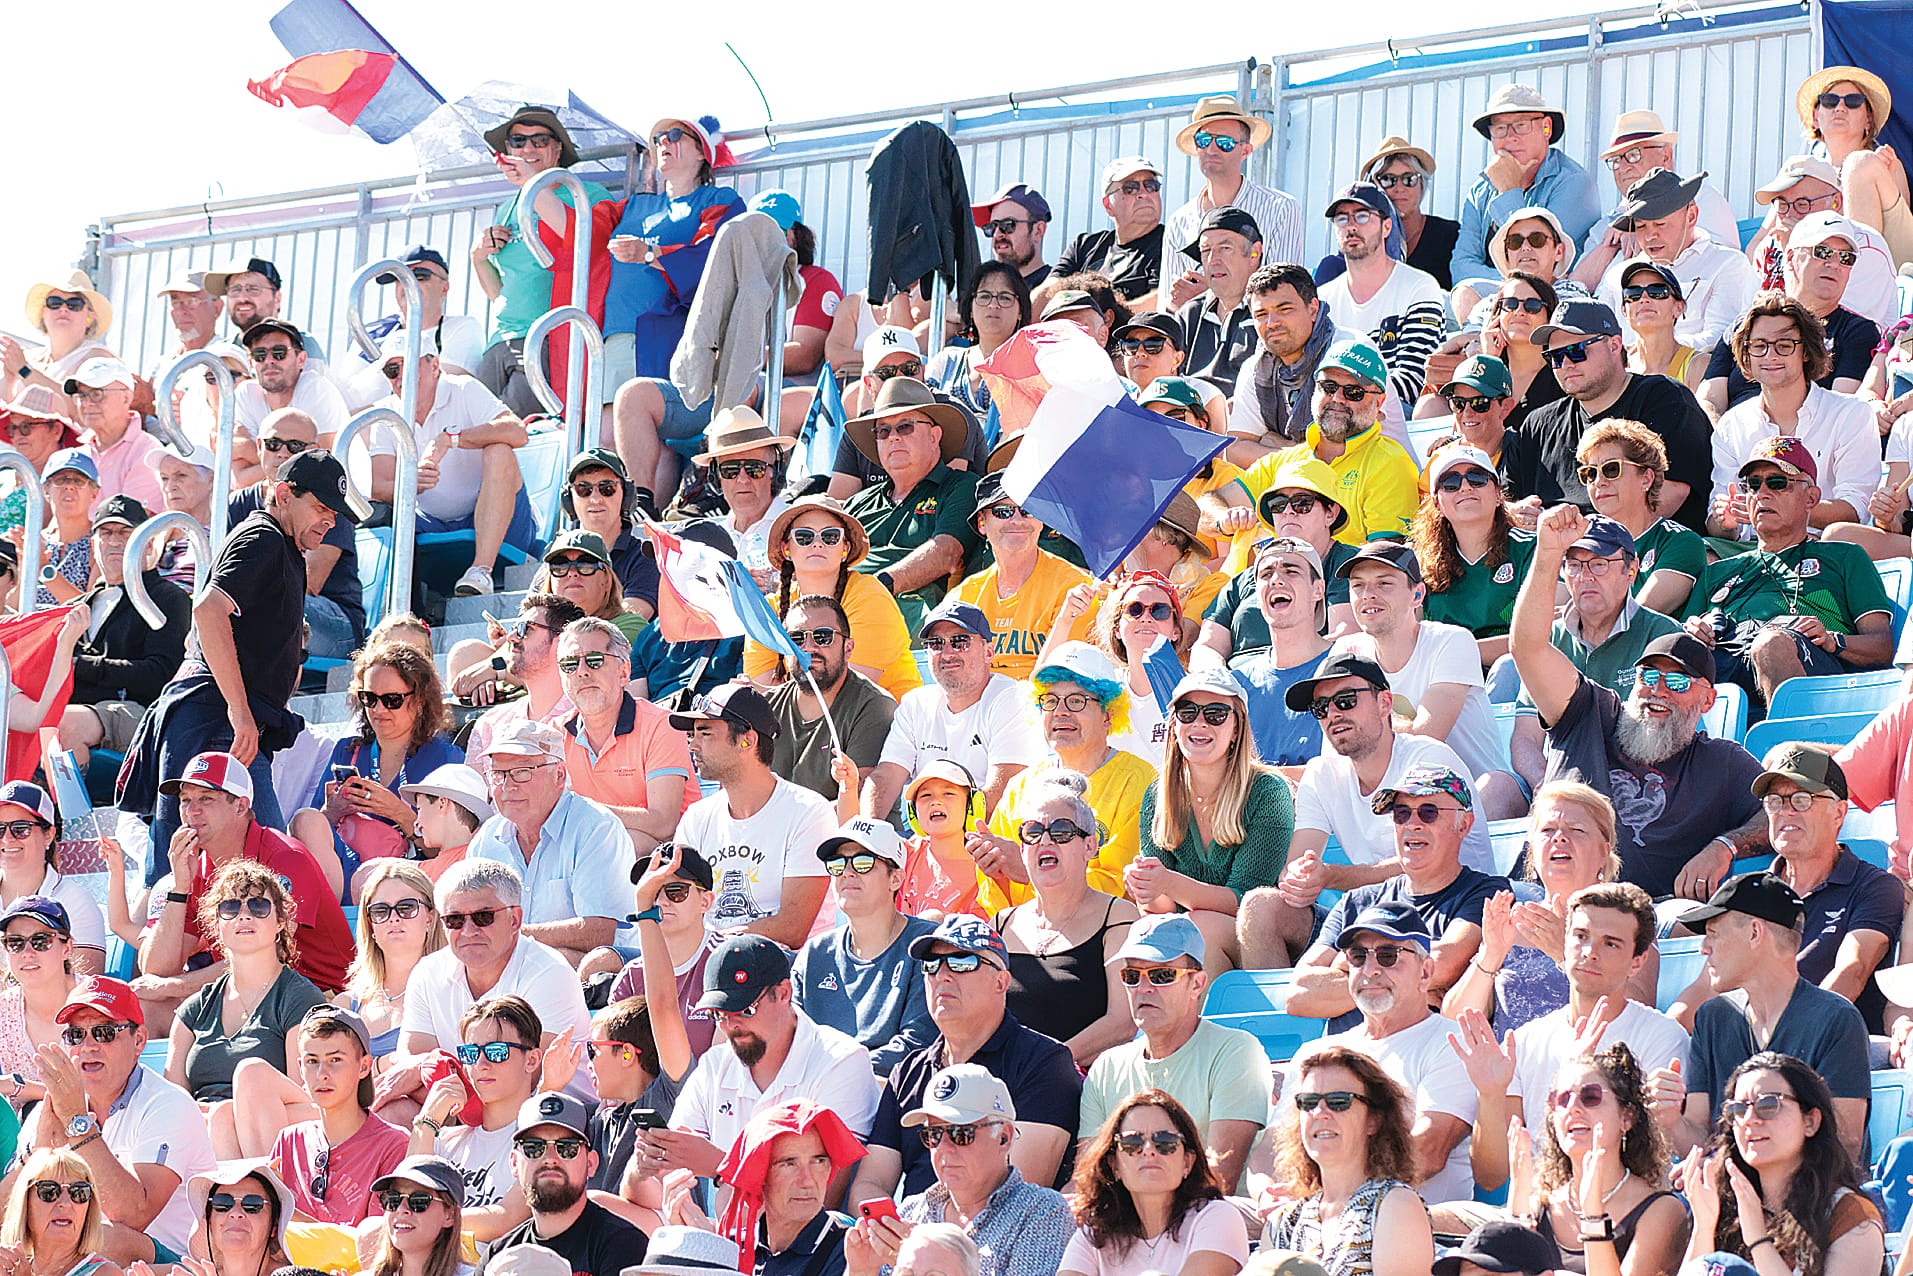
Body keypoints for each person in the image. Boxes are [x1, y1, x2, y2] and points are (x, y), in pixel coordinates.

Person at [120, 449, 361, 871]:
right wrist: (239, 711)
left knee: (264, 874)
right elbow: (208, 611)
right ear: (284, 494)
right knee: (200, 877)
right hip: (213, 721)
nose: (329, 520)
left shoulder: (285, 546)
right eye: (321, 507)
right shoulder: (264, 537)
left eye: (334, 512)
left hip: (227, 722)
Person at [1512, 506, 1768, 898]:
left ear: (1707, 700)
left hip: (1649, 916)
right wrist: (1547, 554)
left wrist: (1725, 846)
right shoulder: (1590, 715)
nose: (1658, 690)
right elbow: (1527, 648)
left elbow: (1780, 809)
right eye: (1648, 676)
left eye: (1678, 681)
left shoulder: (1721, 763)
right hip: (1548, 898)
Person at [1234, 655, 1492, 969]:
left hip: (1446, 914)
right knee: (1260, 907)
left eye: (1345, 700)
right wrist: (1303, 877)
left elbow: (1428, 864)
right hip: (1369, 918)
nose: (1332, 714)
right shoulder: (1322, 773)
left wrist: (1332, 876)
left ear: (1385, 703)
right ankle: (1286, 1018)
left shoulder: (1429, 761)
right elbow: (1296, 866)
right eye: (1321, 708)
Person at [1451, 881, 1690, 1187]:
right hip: (1536, 1211)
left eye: (1611, 943)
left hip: (1622, 1213)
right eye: (1580, 936)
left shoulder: (1663, 1037)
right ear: (1564, 943)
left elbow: (1642, 1165)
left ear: (1637, 961)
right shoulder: (1526, 1039)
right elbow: (1492, 1177)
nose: (1590, 952)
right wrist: (1490, 1095)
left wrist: (1579, 1071)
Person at [848, 916, 1083, 1202]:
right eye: (931, 965)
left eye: (962, 963)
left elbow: (1017, 1195)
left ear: (1001, 982)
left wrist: (925, 1237)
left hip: (994, 1241)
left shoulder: (1044, 1062)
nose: (942, 975)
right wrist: (887, 1228)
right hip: (908, 1238)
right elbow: (870, 1185)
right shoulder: (908, 1072)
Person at [1662, 874, 1871, 1163]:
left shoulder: (1837, 1020)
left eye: (1713, 933)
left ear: (1755, 933)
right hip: (1730, 1195)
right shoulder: (1712, 1018)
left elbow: (1843, 1145)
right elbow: (1701, 1138)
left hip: (1810, 1201)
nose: (1703, 948)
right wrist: (1671, 1121)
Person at [1282, 768, 1507, 1029]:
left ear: (1464, 824)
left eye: (1428, 812)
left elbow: (1443, 964)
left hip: (1426, 1063)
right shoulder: (1356, 903)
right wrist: (1409, 987)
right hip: (1348, 1061)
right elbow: (1298, 994)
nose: (1413, 824)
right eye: (1402, 814)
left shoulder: (1486, 893)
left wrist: (1348, 964)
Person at [15, 976, 219, 1262]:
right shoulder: (49, 1108)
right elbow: (11, 1216)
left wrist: (77, 1124)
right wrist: (36, 1155)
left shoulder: (168, 1104)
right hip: (80, 1256)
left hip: (172, 1263)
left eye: (104, 1033)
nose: (88, 1046)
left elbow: (132, 1215)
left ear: (139, 1041)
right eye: (76, 1035)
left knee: (103, 1238)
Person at [139, 750, 355, 1016]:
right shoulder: (194, 866)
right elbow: (155, 970)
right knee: (148, 1007)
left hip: (320, 998)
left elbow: (266, 958)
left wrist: (173, 986)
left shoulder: (285, 857)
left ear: (241, 806)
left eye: (206, 799)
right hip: (245, 993)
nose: (191, 811)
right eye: (185, 800)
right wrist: (180, 887)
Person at [1290, 904, 1479, 1202]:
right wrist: (1268, 1195)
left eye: (1388, 956)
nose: (1371, 969)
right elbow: (1271, 1149)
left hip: (1418, 1223)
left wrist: (1334, 1193)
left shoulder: (1453, 1041)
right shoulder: (1315, 1052)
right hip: (1316, 1209)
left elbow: (1428, 1150)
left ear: (1425, 971)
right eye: (1358, 956)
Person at [1682, 437, 1893, 704]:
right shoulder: (1717, 571)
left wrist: (1832, 641)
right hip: (1729, 658)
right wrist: (1693, 632)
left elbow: (1882, 645)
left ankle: (1791, 744)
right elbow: (1681, 643)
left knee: (1770, 644)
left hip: (1815, 670)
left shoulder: (1844, 556)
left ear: (1811, 497)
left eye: (1778, 483)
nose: (1762, 493)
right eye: (1753, 485)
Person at [653, 935, 879, 1181]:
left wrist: (722, 1168)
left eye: (745, 1010)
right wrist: (645, 1166)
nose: (731, 1025)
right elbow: (657, 1179)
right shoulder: (714, 1065)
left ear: (783, 993)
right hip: (714, 1220)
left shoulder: (842, 1061)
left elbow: (822, 1195)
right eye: (719, 1014)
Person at [1441, 791, 1662, 1035]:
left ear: (1603, 852)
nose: (1559, 838)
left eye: (1576, 830)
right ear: (1533, 852)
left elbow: (1640, 1010)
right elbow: (1455, 1019)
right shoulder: (1513, 921)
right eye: (1547, 830)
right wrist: (1491, 955)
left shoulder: (1626, 916)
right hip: (1513, 1068)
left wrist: (1563, 953)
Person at [1330, 541, 1525, 816]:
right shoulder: (1345, 653)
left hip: (1473, 798)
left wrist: (1362, 723)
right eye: (1357, 586)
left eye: (1384, 584)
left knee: (1496, 787)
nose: (1367, 595)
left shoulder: (1452, 641)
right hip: (1396, 804)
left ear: (1417, 595)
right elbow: (1334, 752)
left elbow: (1425, 740)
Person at [1077, 916, 1270, 1191]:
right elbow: (1087, 1180)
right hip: (1128, 1221)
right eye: (1132, 976)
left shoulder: (1237, 1052)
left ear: (1198, 983)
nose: (1143, 988)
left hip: (1210, 1222)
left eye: (1161, 975)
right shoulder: (1106, 1066)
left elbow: (1218, 1180)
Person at [386, 860, 594, 1110]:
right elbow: (411, 1071)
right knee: (395, 1110)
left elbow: (524, 1082)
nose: (469, 930)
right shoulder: (427, 973)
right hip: (465, 1114)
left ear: (515, 919)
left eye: (483, 917)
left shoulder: (550, 973)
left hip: (552, 1121)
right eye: (454, 920)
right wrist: (429, 1074)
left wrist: (436, 1071)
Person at [1505, 516, 1685, 793]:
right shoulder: (1550, 637)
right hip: (1560, 785)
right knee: (1496, 788)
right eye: (1574, 566)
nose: (1585, 576)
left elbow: (1669, 741)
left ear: (1632, 571)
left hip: (1638, 786)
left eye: (1599, 564)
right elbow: (1526, 737)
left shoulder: (1664, 635)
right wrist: (1544, 783)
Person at [1130, 668, 1292, 973]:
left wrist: (1168, 882)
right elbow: (1162, 910)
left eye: (1216, 714)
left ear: (1237, 727)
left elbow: (1246, 900)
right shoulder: (1158, 795)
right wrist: (1147, 889)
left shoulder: (1268, 791)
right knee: (1146, 933)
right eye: (1187, 712)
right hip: (1188, 934)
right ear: (1174, 725)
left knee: (1198, 928)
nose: (1199, 723)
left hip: (1261, 940)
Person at [974, 644, 1156, 913]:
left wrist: (1027, 871)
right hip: (1023, 935)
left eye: (1076, 700)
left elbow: (1120, 886)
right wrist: (998, 873)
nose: (1060, 712)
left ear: (1108, 714)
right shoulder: (1019, 788)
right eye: (1050, 700)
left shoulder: (1142, 782)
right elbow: (994, 904)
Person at [1502, 301, 1712, 530]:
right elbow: (1506, 502)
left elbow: (1669, 496)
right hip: (1552, 553)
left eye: (1576, 351)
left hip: (1642, 554)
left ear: (1614, 345)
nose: (1565, 364)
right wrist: (1515, 514)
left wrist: (1575, 535)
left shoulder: (1663, 398)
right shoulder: (1538, 423)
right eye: (1555, 357)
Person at [850, 1064, 1075, 1276]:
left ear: (1004, 1137)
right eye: (934, 1135)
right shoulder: (911, 1211)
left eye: (961, 1134)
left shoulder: (1042, 1212)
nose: (944, 1148)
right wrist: (862, 1271)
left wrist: (928, 1260)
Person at [1683, 1051, 1884, 1275]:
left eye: (1768, 1105)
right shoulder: (1724, 1206)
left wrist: (1758, 1239)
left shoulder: (1850, 1216)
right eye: (1738, 1109)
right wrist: (1704, 1225)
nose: (1750, 1119)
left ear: (1811, 1121)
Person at [471, 105, 614, 421]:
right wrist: (478, 257)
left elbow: (582, 243)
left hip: (548, 337)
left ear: (557, 148)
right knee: (479, 437)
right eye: (518, 141)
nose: (527, 148)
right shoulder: (508, 207)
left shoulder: (585, 194)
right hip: (500, 340)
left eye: (539, 140)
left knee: (507, 433)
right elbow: (498, 292)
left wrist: (531, 183)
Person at [289, 640, 462, 900]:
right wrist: (332, 811)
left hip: (406, 881)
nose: (378, 710)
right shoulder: (347, 751)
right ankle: (332, 920)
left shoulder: (443, 757)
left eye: (392, 700)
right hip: (342, 872)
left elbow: (452, 851)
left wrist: (399, 813)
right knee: (306, 819)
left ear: (420, 701)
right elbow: (313, 832)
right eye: (369, 698)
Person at [364, 336, 533, 599]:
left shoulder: (464, 389)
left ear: (435, 366)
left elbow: (517, 433)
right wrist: (410, 482)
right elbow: (378, 485)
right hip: (430, 523)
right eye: (392, 370)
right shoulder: (386, 413)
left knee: (500, 450)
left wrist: (452, 439)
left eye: (408, 366)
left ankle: (481, 570)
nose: (400, 377)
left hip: (505, 523)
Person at [1748, 744, 1901, 1033]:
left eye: (1801, 799)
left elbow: (1851, 972)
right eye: (1775, 801)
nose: (1785, 811)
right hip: (1751, 1039)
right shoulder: (1747, 892)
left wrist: (1791, 1034)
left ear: (1839, 813)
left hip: (1826, 1044)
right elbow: (1707, 984)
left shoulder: (1875, 887)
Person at [993, 771, 1139, 1068]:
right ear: (1022, 850)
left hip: (1082, 1081)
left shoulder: (1119, 917)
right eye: (1032, 832)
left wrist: (1048, 1063)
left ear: (1090, 846)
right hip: (1004, 1083)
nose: (1045, 840)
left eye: (1062, 831)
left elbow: (1124, 1022)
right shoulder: (1001, 924)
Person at [670, 684, 833, 946]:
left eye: (705, 733)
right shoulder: (696, 817)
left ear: (747, 739)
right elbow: (679, 907)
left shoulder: (808, 812)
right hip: (709, 960)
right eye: (692, 735)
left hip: (781, 968)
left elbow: (793, 928)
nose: (693, 745)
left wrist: (713, 944)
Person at [166, 859, 326, 1120]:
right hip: (201, 1133)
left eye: (259, 905)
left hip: (271, 1130)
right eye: (229, 907)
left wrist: (226, 1115)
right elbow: (173, 1102)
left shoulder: (301, 999)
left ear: (280, 922)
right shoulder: (193, 1010)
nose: (244, 915)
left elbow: (304, 1096)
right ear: (217, 924)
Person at [463, 720, 633, 964]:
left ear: (559, 775)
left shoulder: (596, 827)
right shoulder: (487, 839)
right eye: (498, 774)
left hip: (592, 982)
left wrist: (508, 937)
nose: (508, 786)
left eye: (522, 772)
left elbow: (602, 931)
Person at [862, 601, 1042, 823]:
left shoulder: (1011, 698)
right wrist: (868, 832)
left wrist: (948, 840)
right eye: (936, 644)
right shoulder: (915, 704)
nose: (947, 653)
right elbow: (886, 776)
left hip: (990, 839)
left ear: (988, 652)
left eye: (960, 642)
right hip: (930, 834)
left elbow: (1003, 793)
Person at [1261, 1045, 1435, 1276]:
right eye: (1308, 1102)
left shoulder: (1395, 1205)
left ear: (1373, 1119)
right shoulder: (1283, 1222)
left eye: (1339, 1101)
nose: (1320, 1112)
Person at [1709, 296, 1876, 532]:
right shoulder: (1731, 425)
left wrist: (1784, 508)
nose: (1770, 355)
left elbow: (1855, 509)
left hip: (1821, 552)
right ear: (1746, 354)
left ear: (1806, 351)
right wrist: (1726, 521)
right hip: (1750, 554)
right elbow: (1717, 520)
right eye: (1759, 346)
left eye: (1784, 345)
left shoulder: (1851, 414)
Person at [791, 818, 937, 1074]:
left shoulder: (925, 946)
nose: (847, 872)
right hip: (815, 1091)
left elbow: (918, 1043)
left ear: (896, 878)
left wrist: (837, 1072)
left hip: (890, 1094)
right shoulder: (814, 954)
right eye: (837, 864)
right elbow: (788, 1040)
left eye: (863, 862)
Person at [743, 494, 919, 701]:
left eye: (830, 536)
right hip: (800, 727)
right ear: (786, 549)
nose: (817, 544)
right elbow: (760, 698)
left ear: (845, 548)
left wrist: (771, 693)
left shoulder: (870, 596)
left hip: (885, 722)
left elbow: (846, 692)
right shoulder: (769, 609)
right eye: (804, 536)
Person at [1241, 339, 1418, 545]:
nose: (1337, 399)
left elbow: (1385, 561)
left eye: (1353, 392)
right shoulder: (1283, 460)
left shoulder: (1391, 463)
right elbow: (1213, 502)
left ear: (1379, 403)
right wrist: (1223, 522)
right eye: (1328, 387)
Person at [842, 378, 981, 632]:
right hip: (843, 621)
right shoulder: (858, 503)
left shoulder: (961, 487)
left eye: (904, 427)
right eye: (883, 431)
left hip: (912, 628)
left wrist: (879, 586)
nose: (892, 437)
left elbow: (946, 554)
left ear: (934, 435)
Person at [1059, 1089, 1247, 1276]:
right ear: (1114, 1165)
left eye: (1165, 1141)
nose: (1148, 1150)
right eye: (1132, 1142)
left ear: (1187, 1162)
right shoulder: (1095, 1234)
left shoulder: (1217, 1217)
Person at [227, 410, 366, 660]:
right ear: (259, 446)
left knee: (271, 599)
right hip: (270, 608)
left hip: (332, 620)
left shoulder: (330, 503)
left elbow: (308, 583)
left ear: (313, 448)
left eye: (295, 446)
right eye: (273, 444)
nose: (282, 453)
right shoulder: (236, 503)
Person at [405, 995, 544, 1239]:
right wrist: (426, 1122)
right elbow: (405, 1202)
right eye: (470, 1053)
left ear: (531, 1060)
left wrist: (429, 1220)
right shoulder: (443, 1141)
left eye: (496, 1052)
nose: (481, 1063)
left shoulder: (542, 1141)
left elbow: (506, 1218)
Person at [250, 1005, 409, 1218]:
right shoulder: (290, 1140)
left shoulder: (394, 1146)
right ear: (300, 1068)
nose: (322, 1073)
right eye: (312, 1061)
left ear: (364, 1066)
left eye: (335, 1060)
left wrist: (286, 1212)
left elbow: (373, 1241)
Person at [555, 617, 693, 848]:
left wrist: (581, 811)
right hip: (583, 854)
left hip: (666, 865)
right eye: (569, 664)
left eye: (594, 660)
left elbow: (663, 823)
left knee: (630, 841)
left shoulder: (661, 725)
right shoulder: (554, 734)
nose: (581, 672)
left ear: (624, 671)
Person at [1452, 85, 1601, 294]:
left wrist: (1508, 191)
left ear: (1546, 128)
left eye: (1521, 125)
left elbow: (1540, 269)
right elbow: (1460, 266)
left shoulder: (1574, 183)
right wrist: (1507, 286)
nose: (1510, 137)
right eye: (1500, 128)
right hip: (1491, 304)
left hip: (1552, 307)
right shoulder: (1481, 189)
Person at [1159, 96, 1302, 311]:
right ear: (1196, 148)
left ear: (1246, 151)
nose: (1212, 149)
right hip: (1191, 340)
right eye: (1204, 141)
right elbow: (1167, 302)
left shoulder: (1281, 208)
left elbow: (1283, 293)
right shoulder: (1178, 221)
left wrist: (1210, 296)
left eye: (1225, 143)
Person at [1318, 182, 1447, 419]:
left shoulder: (1419, 286)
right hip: (1333, 414)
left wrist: (1351, 399)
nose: (1352, 226)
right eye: (1342, 219)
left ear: (1386, 226)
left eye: (1363, 216)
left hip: (1392, 417)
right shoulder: (1323, 300)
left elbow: (1413, 381)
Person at [1591, 169, 1758, 352]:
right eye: (1641, 226)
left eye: (1660, 224)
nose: (1650, 236)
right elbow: (1601, 338)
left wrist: (1650, 352)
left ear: (1691, 216)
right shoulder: (1616, 276)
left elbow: (1721, 336)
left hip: (1692, 374)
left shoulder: (1728, 264)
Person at [489, 1092, 645, 1276]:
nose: (550, 1159)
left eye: (567, 1148)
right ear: (514, 1163)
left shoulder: (624, 1246)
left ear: (591, 1163)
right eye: (534, 1147)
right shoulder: (498, 1255)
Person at [953, 476, 1093, 681]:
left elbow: (1066, 678)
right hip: (982, 704)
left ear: (1041, 521)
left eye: (1028, 511)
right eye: (1003, 512)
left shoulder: (1072, 587)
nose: (1017, 520)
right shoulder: (964, 595)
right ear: (982, 523)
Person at [1744, 156, 1899, 335]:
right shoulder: (1772, 244)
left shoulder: (1864, 248)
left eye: (1802, 205)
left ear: (1836, 203)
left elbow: (1833, 328)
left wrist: (1795, 259)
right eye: (1782, 205)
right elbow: (1745, 316)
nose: (1790, 215)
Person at [1412, 445, 1537, 663]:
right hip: (1444, 677)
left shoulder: (1531, 549)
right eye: (1450, 483)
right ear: (1437, 504)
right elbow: (1410, 639)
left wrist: (1456, 654)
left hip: (1517, 672)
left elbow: (1547, 631)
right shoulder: (1419, 564)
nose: (1465, 487)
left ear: (1498, 494)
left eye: (1477, 478)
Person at [767, 595, 896, 807]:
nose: (808, 647)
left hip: (843, 836)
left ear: (848, 648)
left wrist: (785, 825)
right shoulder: (766, 706)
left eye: (823, 636)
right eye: (796, 638)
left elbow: (861, 803)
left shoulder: (875, 706)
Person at [1218, 538, 1335, 765]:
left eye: (1291, 571)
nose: (1277, 580)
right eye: (1266, 574)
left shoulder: (1345, 670)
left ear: (1318, 589)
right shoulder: (1237, 684)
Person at [600, 843, 720, 1060]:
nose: (661, 901)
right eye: (652, 892)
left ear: (706, 901)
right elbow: (616, 1062)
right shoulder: (631, 977)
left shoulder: (727, 961)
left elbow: (725, 1071)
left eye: (676, 891)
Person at [1574, 421, 1707, 616]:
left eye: (1611, 469)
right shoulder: (1578, 545)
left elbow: (1634, 618)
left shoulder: (1681, 543)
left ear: (1646, 478)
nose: (1599, 482)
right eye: (1590, 473)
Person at [1226, 265, 1355, 454]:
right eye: (1261, 315)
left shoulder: (1348, 351)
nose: (1272, 323)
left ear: (1313, 309)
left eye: (1284, 309)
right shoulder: (1256, 367)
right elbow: (1237, 450)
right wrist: (1299, 454)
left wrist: (1275, 445)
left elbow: (1338, 454)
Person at [1797, 65, 1913, 265]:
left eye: (1853, 102)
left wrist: (1886, 176)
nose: (1840, 108)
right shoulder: (1803, 173)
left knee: (1860, 164)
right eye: (1830, 101)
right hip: (1826, 273)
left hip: (1894, 263)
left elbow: (1901, 226)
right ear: (1816, 118)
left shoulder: (1880, 163)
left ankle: (1859, 274)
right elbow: (1758, 241)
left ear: (1869, 119)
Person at [341, 863, 449, 1070]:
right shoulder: (346, 1006)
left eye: (407, 907)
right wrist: (385, 1064)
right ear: (370, 923)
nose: (394, 918)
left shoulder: (451, 994)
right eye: (381, 911)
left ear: (430, 917)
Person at [1317, 136, 1461, 291]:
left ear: (1421, 185)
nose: (1399, 188)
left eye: (1409, 179)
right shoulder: (1355, 247)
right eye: (1387, 179)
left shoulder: (1449, 235)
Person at [454, 595, 586, 759]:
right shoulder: (489, 725)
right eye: (514, 629)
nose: (511, 637)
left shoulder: (590, 721)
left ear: (561, 642)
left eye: (526, 628)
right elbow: (474, 784)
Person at [0, 789, 106, 967]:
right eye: (0, 829)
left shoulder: (75, 899)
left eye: (20, 829)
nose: (7, 838)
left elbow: (87, 984)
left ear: (48, 835)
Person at [231, 321, 347, 479]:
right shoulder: (245, 394)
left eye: (279, 352)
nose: (269, 361)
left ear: (301, 360)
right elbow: (241, 478)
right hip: (275, 496)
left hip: (344, 499)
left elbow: (320, 469)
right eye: (260, 355)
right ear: (251, 363)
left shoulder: (315, 389)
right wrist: (293, 460)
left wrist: (248, 450)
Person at [750, 188, 843, 381]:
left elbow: (804, 356)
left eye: (776, 230)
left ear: (797, 236)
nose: (764, 239)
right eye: (755, 232)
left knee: (742, 393)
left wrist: (735, 359)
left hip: (792, 392)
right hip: (745, 383)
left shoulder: (817, 280)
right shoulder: (741, 283)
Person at [0, 896, 84, 1110]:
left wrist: (20, 1088)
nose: (27, 953)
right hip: (28, 1136)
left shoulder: (99, 1000)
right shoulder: (3, 1010)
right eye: (15, 943)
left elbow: (110, 1095)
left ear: (67, 948)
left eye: (41, 941)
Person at [689, 411, 791, 581]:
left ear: (775, 472)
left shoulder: (799, 528)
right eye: (730, 470)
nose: (743, 479)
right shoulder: (706, 541)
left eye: (755, 469)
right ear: (716, 477)